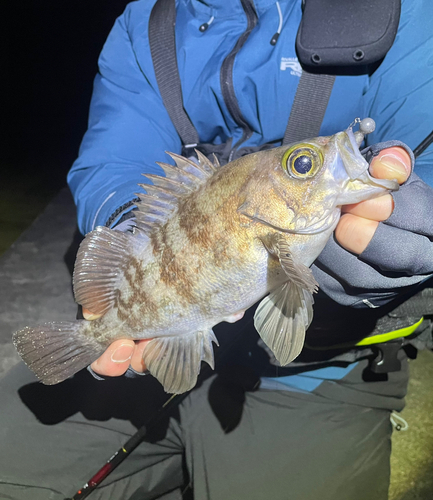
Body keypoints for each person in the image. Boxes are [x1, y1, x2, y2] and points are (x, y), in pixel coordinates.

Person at [1, 1, 433, 499]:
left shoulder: (412, 14)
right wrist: (130, 237)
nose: (327, 160)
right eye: (302, 167)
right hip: (155, 357)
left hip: (319, 375)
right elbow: (112, 161)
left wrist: (410, 227)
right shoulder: (146, 21)